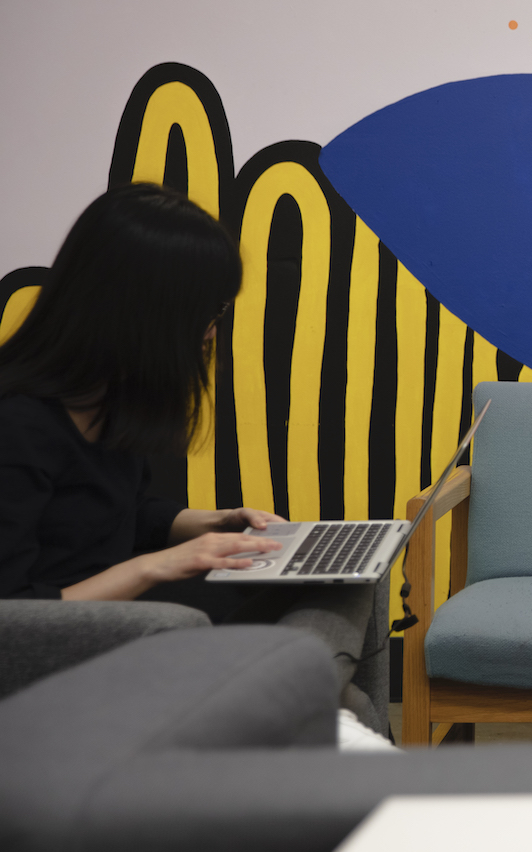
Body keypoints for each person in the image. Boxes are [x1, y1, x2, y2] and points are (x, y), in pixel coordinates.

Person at [0, 184, 386, 737]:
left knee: (349, 576)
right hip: (77, 639)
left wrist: (211, 523)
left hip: (138, 614)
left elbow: (120, 514)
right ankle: (303, 709)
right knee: (337, 695)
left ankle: (293, 705)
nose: (210, 333)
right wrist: (158, 564)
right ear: (142, 313)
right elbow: (11, 610)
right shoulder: (17, 426)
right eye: (206, 314)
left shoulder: (105, 400)